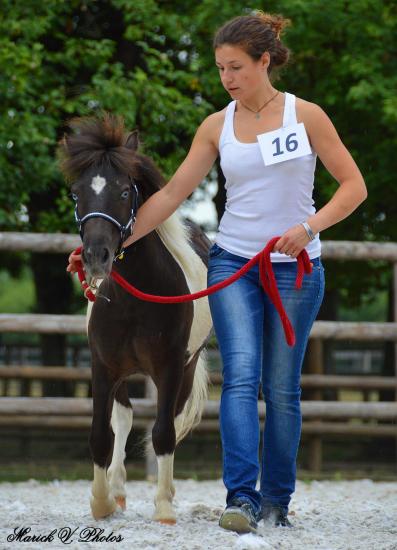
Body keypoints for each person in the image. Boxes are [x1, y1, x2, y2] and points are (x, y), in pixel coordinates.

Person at [67, 11, 367, 534]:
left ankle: (277, 500)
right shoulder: (217, 125)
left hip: (296, 266)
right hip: (233, 264)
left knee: (281, 389)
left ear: (264, 61)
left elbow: (353, 187)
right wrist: (110, 245)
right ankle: (242, 500)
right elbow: (173, 194)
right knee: (242, 377)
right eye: (220, 68)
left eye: (236, 67)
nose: (227, 77)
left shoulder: (307, 116)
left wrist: (309, 226)